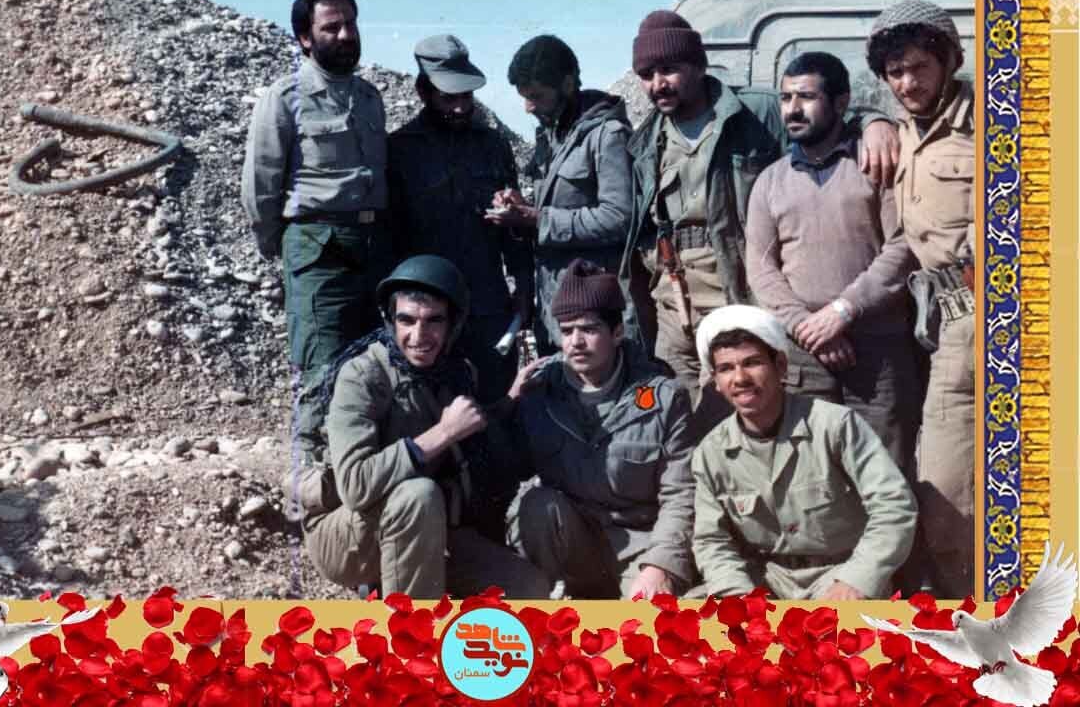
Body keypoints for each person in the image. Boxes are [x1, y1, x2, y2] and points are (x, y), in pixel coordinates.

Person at [621, 11, 901, 436]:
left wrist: (875, 122)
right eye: (646, 74)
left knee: (742, 420)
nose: (657, 83)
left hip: (737, 292)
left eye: (669, 69)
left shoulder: (756, 111)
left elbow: (823, 119)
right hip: (673, 303)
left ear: (698, 65)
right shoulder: (646, 138)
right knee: (676, 421)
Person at [297, 255, 550, 599]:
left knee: (528, 587)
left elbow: (468, 423)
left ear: (453, 325)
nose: (418, 336)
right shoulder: (362, 376)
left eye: (433, 321)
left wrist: (510, 399)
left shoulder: (455, 371)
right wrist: (442, 434)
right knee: (419, 495)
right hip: (348, 535)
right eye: (407, 320)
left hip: (429, 529)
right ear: (391, 321)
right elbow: (355, 486)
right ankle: (408, 627)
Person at [745, 51, 919, 474]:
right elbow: (761, 270)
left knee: (885, 473)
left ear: (841, 103)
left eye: (806, 97)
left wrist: (843, 311)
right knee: (814, 475)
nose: (792, 109)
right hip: (805, 355)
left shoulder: (875, 163)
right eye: (786, 98)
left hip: (878, 349)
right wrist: (809, 329)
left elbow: (902, 247)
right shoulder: (770, 181)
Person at [690, 305, 917, 600]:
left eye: (752, 362)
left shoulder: (834, 425)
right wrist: (740, 596)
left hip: (840, 574)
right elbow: (711, 540)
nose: (740, 378)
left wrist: (857, 580)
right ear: (716, 382)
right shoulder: (711, 453)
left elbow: (894, 505)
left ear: (781, 366)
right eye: (726, 369)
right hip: (766, 580)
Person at [501, 259, 697, 599]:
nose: (575, 342)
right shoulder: (539, 392)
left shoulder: (663, 397)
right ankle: (543, 604)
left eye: (589, 330)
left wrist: (661, 564)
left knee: (655, 618)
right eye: (566, 331)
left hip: (641, 545)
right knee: (536, 505)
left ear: (617, 332)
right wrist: (508, 405)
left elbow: (680, 493)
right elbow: (506, 469)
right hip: (576, 541)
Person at [867, 0, 977, 598]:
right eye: (895, 73)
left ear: (948, 61)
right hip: (939, 323)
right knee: (941, 488)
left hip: (987, 315)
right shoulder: (902, 127)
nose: (907, 83)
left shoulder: (992, 119)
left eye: (919, 68)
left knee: (951, 491)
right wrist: (872, 121)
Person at [241, 0, 392, 381]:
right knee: (322, 370)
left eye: (351, 24)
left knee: (373, 370)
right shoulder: (285, 98)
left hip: (373, 249)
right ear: (305, 39)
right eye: (331, 27)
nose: (346, 35)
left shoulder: (370, 98)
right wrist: (289, 246)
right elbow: (260, 184)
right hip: (318, 250)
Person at [388, 35, 534, 403]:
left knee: (497, 405)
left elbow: (513, 226)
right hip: (429, 310)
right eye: (448, 97)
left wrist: (524, 283)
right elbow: (389, 237)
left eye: (466, 96)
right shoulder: (400, 151)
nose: (460, 107)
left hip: (487, 304)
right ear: (424, 92)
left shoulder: (493, 145)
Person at [486, 35, 639, 354]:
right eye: (524, 98)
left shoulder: (607, 135)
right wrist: (521, 209)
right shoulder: (552, 135)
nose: (528, 107)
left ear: (567, 85)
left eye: (536, 96)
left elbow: (619, 217)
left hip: (594, 308)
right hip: (555, 304)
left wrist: (538, 219)